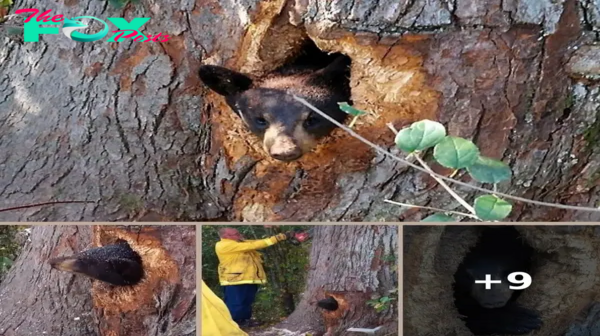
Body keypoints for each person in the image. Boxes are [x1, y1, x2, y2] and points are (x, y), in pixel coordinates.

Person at [215, 227, 292, 327]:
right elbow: (254, 245)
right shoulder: (223, 245)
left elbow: (256, 242)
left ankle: (245, 320)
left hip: (247, 278)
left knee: (247, 301)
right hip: (234, 280)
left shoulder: (239, 243)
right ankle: (234, 323)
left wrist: (281, 237)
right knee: (236, 303)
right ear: (226, 236)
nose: (239, 234)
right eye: (235, 234)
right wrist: (278, 237)